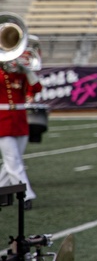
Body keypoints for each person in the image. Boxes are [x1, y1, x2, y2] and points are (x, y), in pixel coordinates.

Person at [0, 38, 42, 210]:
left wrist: (26, 69)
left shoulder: (20, 74)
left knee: (12, 161)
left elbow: (37, 88)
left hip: (19, 120)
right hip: (2, 121)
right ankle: (26, 195)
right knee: (13, 161)